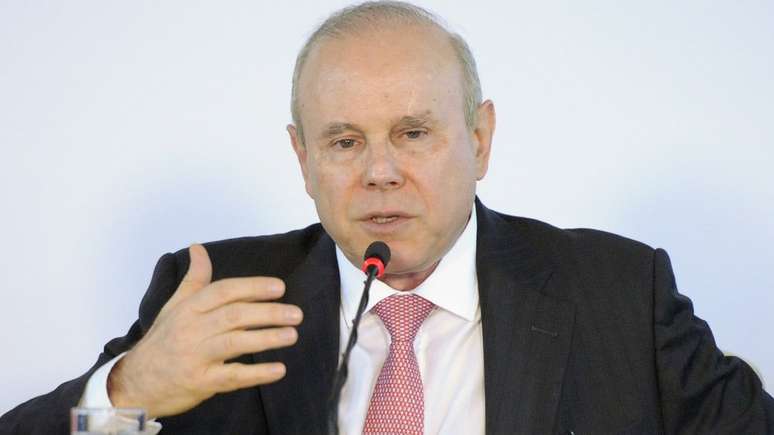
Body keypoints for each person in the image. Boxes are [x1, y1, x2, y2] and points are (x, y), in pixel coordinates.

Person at [1, 1, 772, 434]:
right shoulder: (217, 293)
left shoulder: (619, 293)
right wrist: (125, 392)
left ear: (479, 139)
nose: (379, 171)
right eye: (344, 141)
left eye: (412, 133)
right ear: (303, 158)